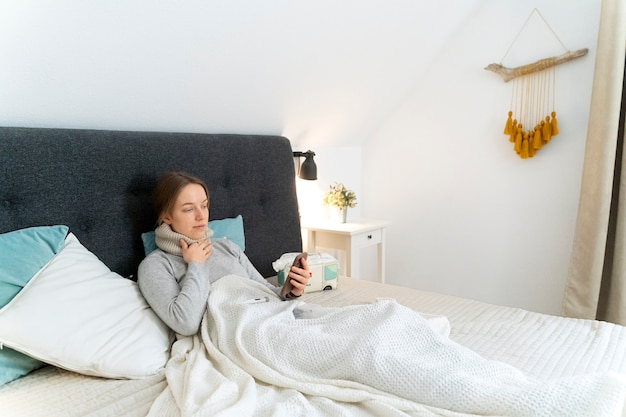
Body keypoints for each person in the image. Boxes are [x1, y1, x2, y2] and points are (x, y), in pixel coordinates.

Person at [137, 171, 311, 336]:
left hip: (271, 318)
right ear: (167, 217)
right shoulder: (155, 265)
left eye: (204, 206)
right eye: (189, 209)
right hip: (240, 332)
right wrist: (196, 265)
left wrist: (292, 291)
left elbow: (267, 293)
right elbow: (186, 323)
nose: (201, 216)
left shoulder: (227, 246)